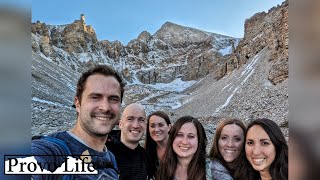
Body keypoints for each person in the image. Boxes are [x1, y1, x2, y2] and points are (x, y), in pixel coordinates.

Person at [31, 65, 125, 179]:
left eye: (113, 99)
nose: (105, 107)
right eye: (95, 97)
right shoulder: (53, 151)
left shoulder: (110, 158)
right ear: (78, 104)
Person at [106, 103, 155, 180]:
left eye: (141, 120)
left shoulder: (146, 158)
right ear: (121, 124)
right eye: (130, 119)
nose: (136, 125)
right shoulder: (103, 150)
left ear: (145, 126)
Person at [156, 116, 211, 180]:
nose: (184, 142)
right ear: (172, 138)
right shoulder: (163, 168)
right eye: (179, 135)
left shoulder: (213, 169)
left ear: (199, 141)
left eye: (191, 136)